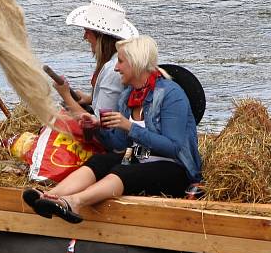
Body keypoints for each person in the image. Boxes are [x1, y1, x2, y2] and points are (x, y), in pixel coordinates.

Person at [23, 35, 202, 224]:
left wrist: (129, 126)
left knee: (124, 172)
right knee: (101, 160)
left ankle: (73, 202)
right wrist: (96, 128)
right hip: (141, 158)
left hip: (175, 170)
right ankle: (49, 196)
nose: (116, 68)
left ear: (136, 63)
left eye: (121, 62)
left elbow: (173, 147)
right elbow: (118, 145)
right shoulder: (128, 97)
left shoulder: (171, 95)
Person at [55, 0, 139, 117]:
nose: (84, 37)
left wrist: (66, 96)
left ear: (101, 38)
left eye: (87, 32)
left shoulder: (113, 70)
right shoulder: (118, 60)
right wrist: (90, 99)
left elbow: (99, 124)